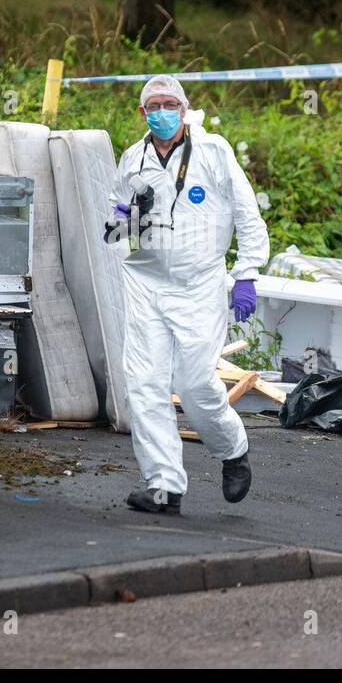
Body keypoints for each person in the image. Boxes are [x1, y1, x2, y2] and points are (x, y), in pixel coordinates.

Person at [104, 74, 269, 515]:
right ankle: (164, 485)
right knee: (145, 384)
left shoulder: (214, 153)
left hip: (199, 285)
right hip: (145, 283)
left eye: (168, 104)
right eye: (152, 105)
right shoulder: (133, 159)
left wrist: (247, 272)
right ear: (141, 113)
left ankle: (232, 449)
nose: (161, 112)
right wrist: (124, 220)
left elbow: (247, 215)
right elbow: (117, 221)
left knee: (195, 384)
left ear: (184, 107)